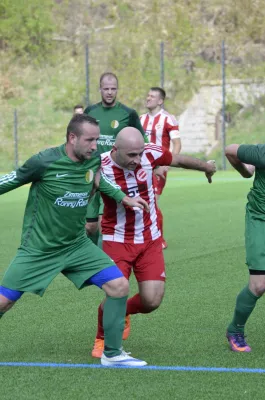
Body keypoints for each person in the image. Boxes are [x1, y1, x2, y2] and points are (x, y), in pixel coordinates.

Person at [0, 114, 150, 367]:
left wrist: (124, 198)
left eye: (97, 140)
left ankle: (112, 354)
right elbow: (11, 179)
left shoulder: (92, 160)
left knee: (119, 286)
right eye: (90, 140)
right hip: (39, 249)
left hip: (76, 245)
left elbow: (100, 182)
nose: (95, 146)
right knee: (3, 302)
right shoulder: (44, 161)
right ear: (72, 138)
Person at [91, 126, 216, 358]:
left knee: (152, 301)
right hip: (116, 238)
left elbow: (178, 160)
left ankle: (122, 311)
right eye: (131, 155)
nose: (138, 160)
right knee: (115, 292)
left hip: (150, 238)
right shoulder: (100, 165)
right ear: (115, 149)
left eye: (140, 153)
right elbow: (85, 189)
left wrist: (207, 167)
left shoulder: (150, 153)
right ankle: (102, 337)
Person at [84, 72, 148, 247]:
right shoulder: (90, 111)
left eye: (113, 89)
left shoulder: (128, 113)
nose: (110, 92)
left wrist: (152, 166)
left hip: (115, 175)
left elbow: (143, 142)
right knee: (90, 226)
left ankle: (106, 264)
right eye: (106, 89)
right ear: (100, 89)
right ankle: (92, 258)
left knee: (107, 223)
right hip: (93, 171)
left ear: (117, 90)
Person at [225, 143, 263, 352]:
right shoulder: (262, 153)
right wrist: (246, 172)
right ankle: (235, 330)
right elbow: (230, 150)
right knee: (259, 285)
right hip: (260, 219)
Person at [140, 87, 181, 250]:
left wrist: (167, 165)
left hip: (157, 168)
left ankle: (159, 239)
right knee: (141, 202)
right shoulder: (140, 119)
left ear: (160, 101)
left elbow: (177, 144)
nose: (148, 98)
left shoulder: (168, 119)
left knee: (153, 202)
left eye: (152, 96)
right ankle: (143, 236)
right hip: (140, 168)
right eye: (148, 95)